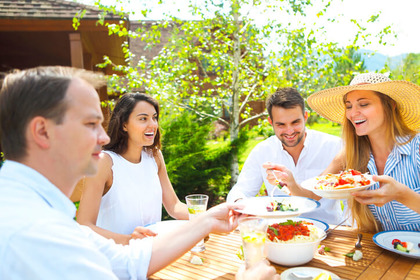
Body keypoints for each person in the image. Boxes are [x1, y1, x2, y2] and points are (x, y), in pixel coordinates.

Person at [0, 66, 278, 279]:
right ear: (42, 131)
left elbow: (128, 263)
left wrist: (207, 221)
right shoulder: (30, 232)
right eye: (89, 124)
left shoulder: (40, 214)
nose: (102, 137)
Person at [307, 72, 420, 232]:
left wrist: (402, 194)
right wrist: (289, 182)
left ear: (390, 105)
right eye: (348, 106)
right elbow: (313, 193)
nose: (353, 113)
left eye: (364, 104)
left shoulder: (417, 147)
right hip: (383, 252)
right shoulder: (351, 154)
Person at [77, 93, 188, 245]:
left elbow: (174, 206)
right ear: (124, 125)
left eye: (154, 117)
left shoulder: (154, 156)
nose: (153, 124)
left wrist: (206, 219)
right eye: (143, 119)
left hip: (151, 254)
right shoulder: (103, 162)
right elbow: (84, 226)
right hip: (115, 258)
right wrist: (130, 240)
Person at [227, 87, 345, 225]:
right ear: (271, 123)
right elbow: (241, 190)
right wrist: (239, 204)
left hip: (329, 230)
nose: (289, 131)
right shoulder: (262, 151)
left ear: (305, 117)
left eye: (295, 122)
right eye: (281, 125)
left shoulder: (334, 146)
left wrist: (349, 232)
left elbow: (351, 199)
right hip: (278, 232)